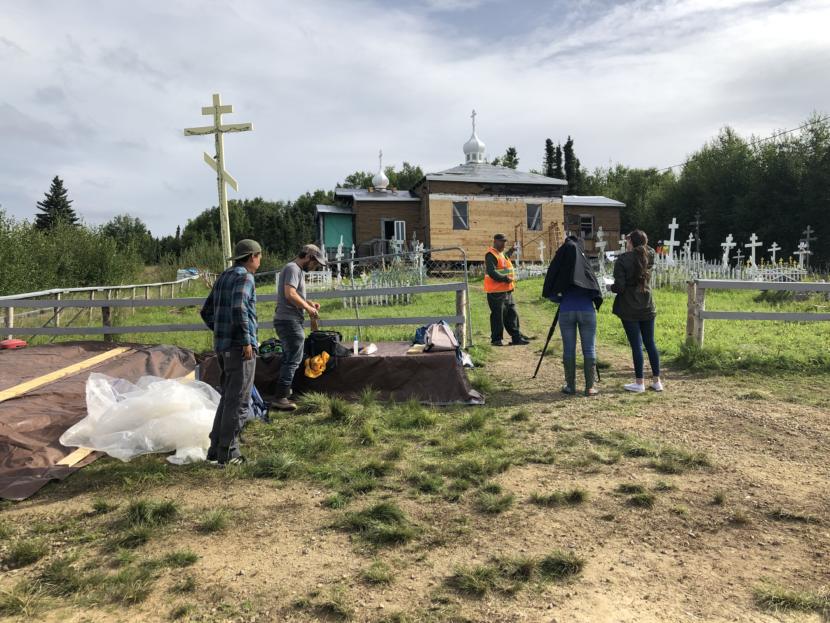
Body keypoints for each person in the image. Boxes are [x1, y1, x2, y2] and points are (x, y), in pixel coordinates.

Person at [200, 239, 262, 465]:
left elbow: (206, 312)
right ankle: (230, 452)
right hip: (240, 350)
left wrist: (221, 332)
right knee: (239, 401)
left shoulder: (224, 276)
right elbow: (240, 308)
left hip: (223, 348)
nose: (260, 260)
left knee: (227, 399)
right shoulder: (245, 277)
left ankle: (215, 450)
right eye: (259, 255)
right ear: (252, 256)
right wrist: (246, 341)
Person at [542, 235, 603, 396]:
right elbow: (595, 290)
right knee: (589, 348)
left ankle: (570, 386)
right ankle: (589, 387)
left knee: (568, 348)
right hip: (587, 311)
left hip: (566, 310)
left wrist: (561, 298)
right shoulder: (584, 264)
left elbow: (551, 290)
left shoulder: (562, 263)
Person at [273, 244, 328, 411]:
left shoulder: (295, 270)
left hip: (288, 319)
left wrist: (308, 303)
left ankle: (286, 393)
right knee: (293, 359)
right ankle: (281, 397)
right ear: (309, 257)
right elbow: (289, 294)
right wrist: (308, 308)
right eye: (315, 263)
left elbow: (293, 294)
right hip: (288, 320)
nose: (316, 267)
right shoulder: (293, 268)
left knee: (291, 357)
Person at [611, 229, 663, 393]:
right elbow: (648, 251)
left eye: (628, 241)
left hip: (629, 307)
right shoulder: (650, 255)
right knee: (650, 343)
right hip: (647, 304)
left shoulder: (623, 260)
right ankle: (657, 381)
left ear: (631, 243)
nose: (626, 244)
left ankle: (639, 383)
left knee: (636, 345)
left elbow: (619, 287)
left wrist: (609, 286)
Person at [484, 233, 530, 346]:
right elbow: (491, 272)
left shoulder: (501, 254)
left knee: (512, 314)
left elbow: (506, 258)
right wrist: (505, 278)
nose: (504, 244)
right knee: (497, 316)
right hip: (496, 292)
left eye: (505, 242)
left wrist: (512, 250)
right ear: (495, 241)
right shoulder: (490, 255)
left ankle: (516, 337)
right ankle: (496, 340)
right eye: (501, 242)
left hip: (507, 291)